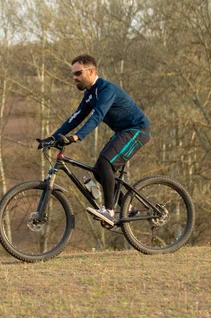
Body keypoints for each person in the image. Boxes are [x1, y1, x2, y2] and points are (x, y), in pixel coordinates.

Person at [37, 54, 151, 224]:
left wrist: (77, 136)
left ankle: (109, 211)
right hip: (123, 132)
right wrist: (52, 138)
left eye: (78, 73)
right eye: (73, 74)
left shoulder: (106, 90)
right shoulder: (90, 95)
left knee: (105, 163)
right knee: (99, 171)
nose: (74, 78)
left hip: (137, 130)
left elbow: (97, 116)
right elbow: (74, 118)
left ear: (91, 71)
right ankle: (128, 208)